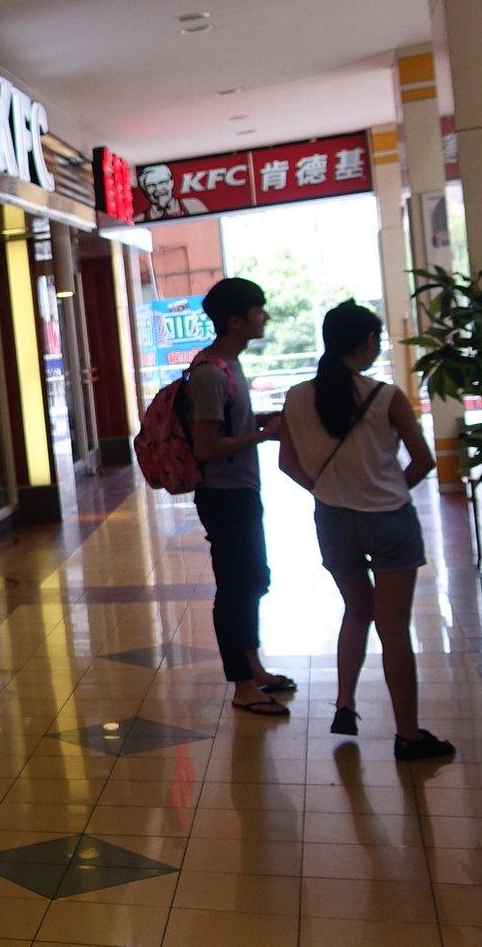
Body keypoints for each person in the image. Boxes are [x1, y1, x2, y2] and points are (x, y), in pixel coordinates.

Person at [279, 302, 455, 760]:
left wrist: (327, 489)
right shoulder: (386, 396)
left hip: (333, 521)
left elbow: (287, 463)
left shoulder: (297, 396)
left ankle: (345, 704)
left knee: (356, 610)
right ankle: (409, 735)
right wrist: (389, 490)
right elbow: (423, 461)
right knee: (394, 629)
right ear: (368, 342)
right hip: (388, 521)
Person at [186, 277, 292, 715]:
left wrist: (257, 424)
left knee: (251, 580)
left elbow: (228, 428)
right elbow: (206, 447)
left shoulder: (229, 365)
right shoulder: (211, 372)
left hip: (240, 490)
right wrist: (262, 435)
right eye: (257, 309)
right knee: (235, 588)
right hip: (224, 495)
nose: (264, 316)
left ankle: (253, 666)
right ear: (235, 320)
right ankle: (243, 686)